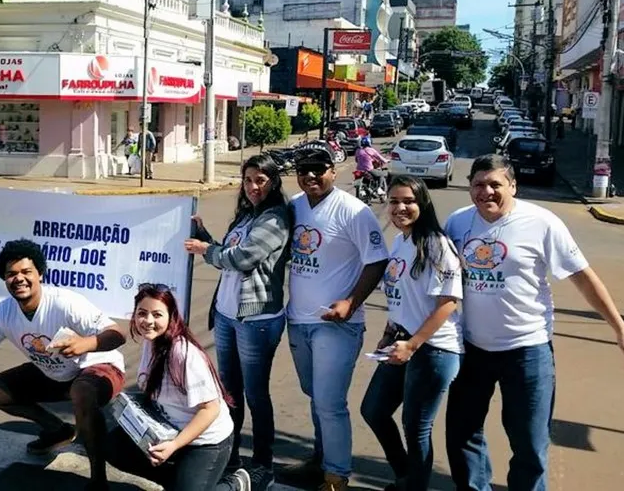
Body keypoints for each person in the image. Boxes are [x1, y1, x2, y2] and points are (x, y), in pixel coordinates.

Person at [444, 154, 624, 491]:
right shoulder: (457, 223)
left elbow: (583, 278)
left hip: (527, 352)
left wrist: (620, 329)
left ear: (513, 186)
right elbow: (437, 280)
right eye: (478, 184)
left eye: (495, 184)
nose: (486, 192)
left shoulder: (541, 222)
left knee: (530, 446)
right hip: (472, 349)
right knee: (462, 434)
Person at [0, 239, 126, 491]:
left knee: (83, 391)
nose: (19, 278)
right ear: (4, 279)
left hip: (101, 368)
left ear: (40, 274)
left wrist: (86, 343)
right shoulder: (3, 313)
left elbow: (117, 335)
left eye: (26, 272)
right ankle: (58, 430)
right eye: (11, 274)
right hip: (58, 374)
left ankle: (98, 478)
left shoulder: (64, 302)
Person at [281, 142, 389, 491]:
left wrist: (352, 302)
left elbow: (377, 259)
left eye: (319, 168)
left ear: (334, 171)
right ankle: (320, 459)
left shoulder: (354, 211)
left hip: (336, 324)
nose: (311, 175)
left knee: (329, 402)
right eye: (303, 169)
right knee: (315, 395)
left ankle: (336, 477)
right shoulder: (294, 207)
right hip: (298, 320)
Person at [184, 152, 291, 491]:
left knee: (256, 395)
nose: (253, 186)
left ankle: (263, 465)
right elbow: (225, 258)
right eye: (248, 180)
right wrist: (205, 236)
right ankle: (231, 461)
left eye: (261, 180)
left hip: (256, 319)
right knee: (230, 394)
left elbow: (244, 259)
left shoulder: (275, 218)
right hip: (229, 316)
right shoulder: (246, 216)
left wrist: (205, 249)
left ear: (273, 183)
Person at [360, 176, 463, 491]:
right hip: (402, 341)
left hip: (433, 349)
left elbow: (448, 302)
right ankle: (408, 476)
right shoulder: (400, 241)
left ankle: (413, 486)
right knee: (373, 411)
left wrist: (414, 344)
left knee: (416, 427)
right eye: (393, 201)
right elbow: (404, 295)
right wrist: (390, 330)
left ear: (423, 204)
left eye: (408, 201)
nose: (400, 208)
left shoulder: (435, 243)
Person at [105, 284, 251, 491]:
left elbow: (210, 410)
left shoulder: (182, 354)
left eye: (157, 314)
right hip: (169, 430)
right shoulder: (152, 342)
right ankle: (181, 482)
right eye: (142, 313)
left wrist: (173, 445)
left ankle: (234, 484)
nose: (148, 321)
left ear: (171, 316)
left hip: (205, 441)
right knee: (113, 447)